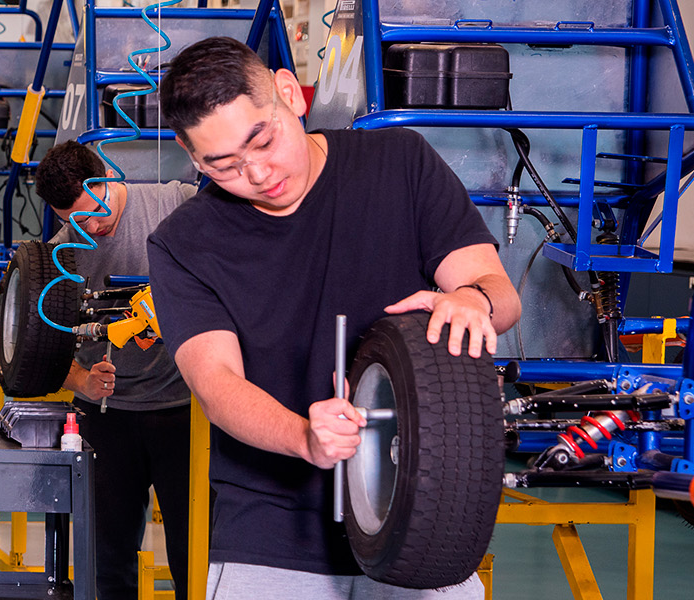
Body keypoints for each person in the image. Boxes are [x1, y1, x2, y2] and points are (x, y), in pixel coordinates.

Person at [146, 37, 521, 599]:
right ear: (192, 155)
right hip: (269, 534)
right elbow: (216, 385)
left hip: (422, 515)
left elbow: (500, 293)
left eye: (262, 139)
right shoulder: (184, 244)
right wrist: (304, 437)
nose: (257, 173)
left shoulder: (400, 163)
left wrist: (472, 300)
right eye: (223, 165)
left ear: (289, 94)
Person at [34, 140, 201, 600]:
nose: (90, 227)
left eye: (94, 211)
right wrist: (82, 380)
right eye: (75, 220)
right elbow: (42, 345)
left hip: (185, 411)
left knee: (196, 554)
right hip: (106, 417)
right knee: (107, 560)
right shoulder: (61, 254)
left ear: (107, 176)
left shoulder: (176, 203)